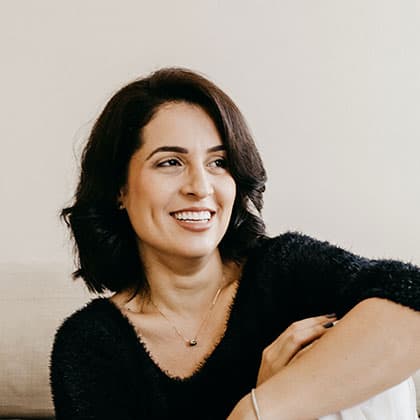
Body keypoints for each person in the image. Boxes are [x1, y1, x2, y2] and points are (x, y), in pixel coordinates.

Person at [50, 67, 420, 420]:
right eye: (170, 162)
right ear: (119, 188)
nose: (200, 187)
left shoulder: (284, 270)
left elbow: (411, 297)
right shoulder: (91, 345)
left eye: (219, 162)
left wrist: (265, 406)